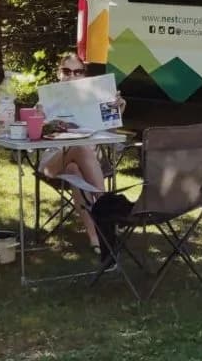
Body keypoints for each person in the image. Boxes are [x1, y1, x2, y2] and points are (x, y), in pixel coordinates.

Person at [35, 52, 125, 254]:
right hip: (52, 163)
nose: (71, 76)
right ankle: (106, 206)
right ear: (59, 73)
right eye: (66, 71)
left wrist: (117, 112)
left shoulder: (96, 98)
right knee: (80, 146)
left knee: (75, 171)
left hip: (85, 166)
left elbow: (113, 142)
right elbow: (32, 140)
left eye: (77, 72)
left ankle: (97, 239)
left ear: (84, 75)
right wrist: (39, 120)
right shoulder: (47, 100)